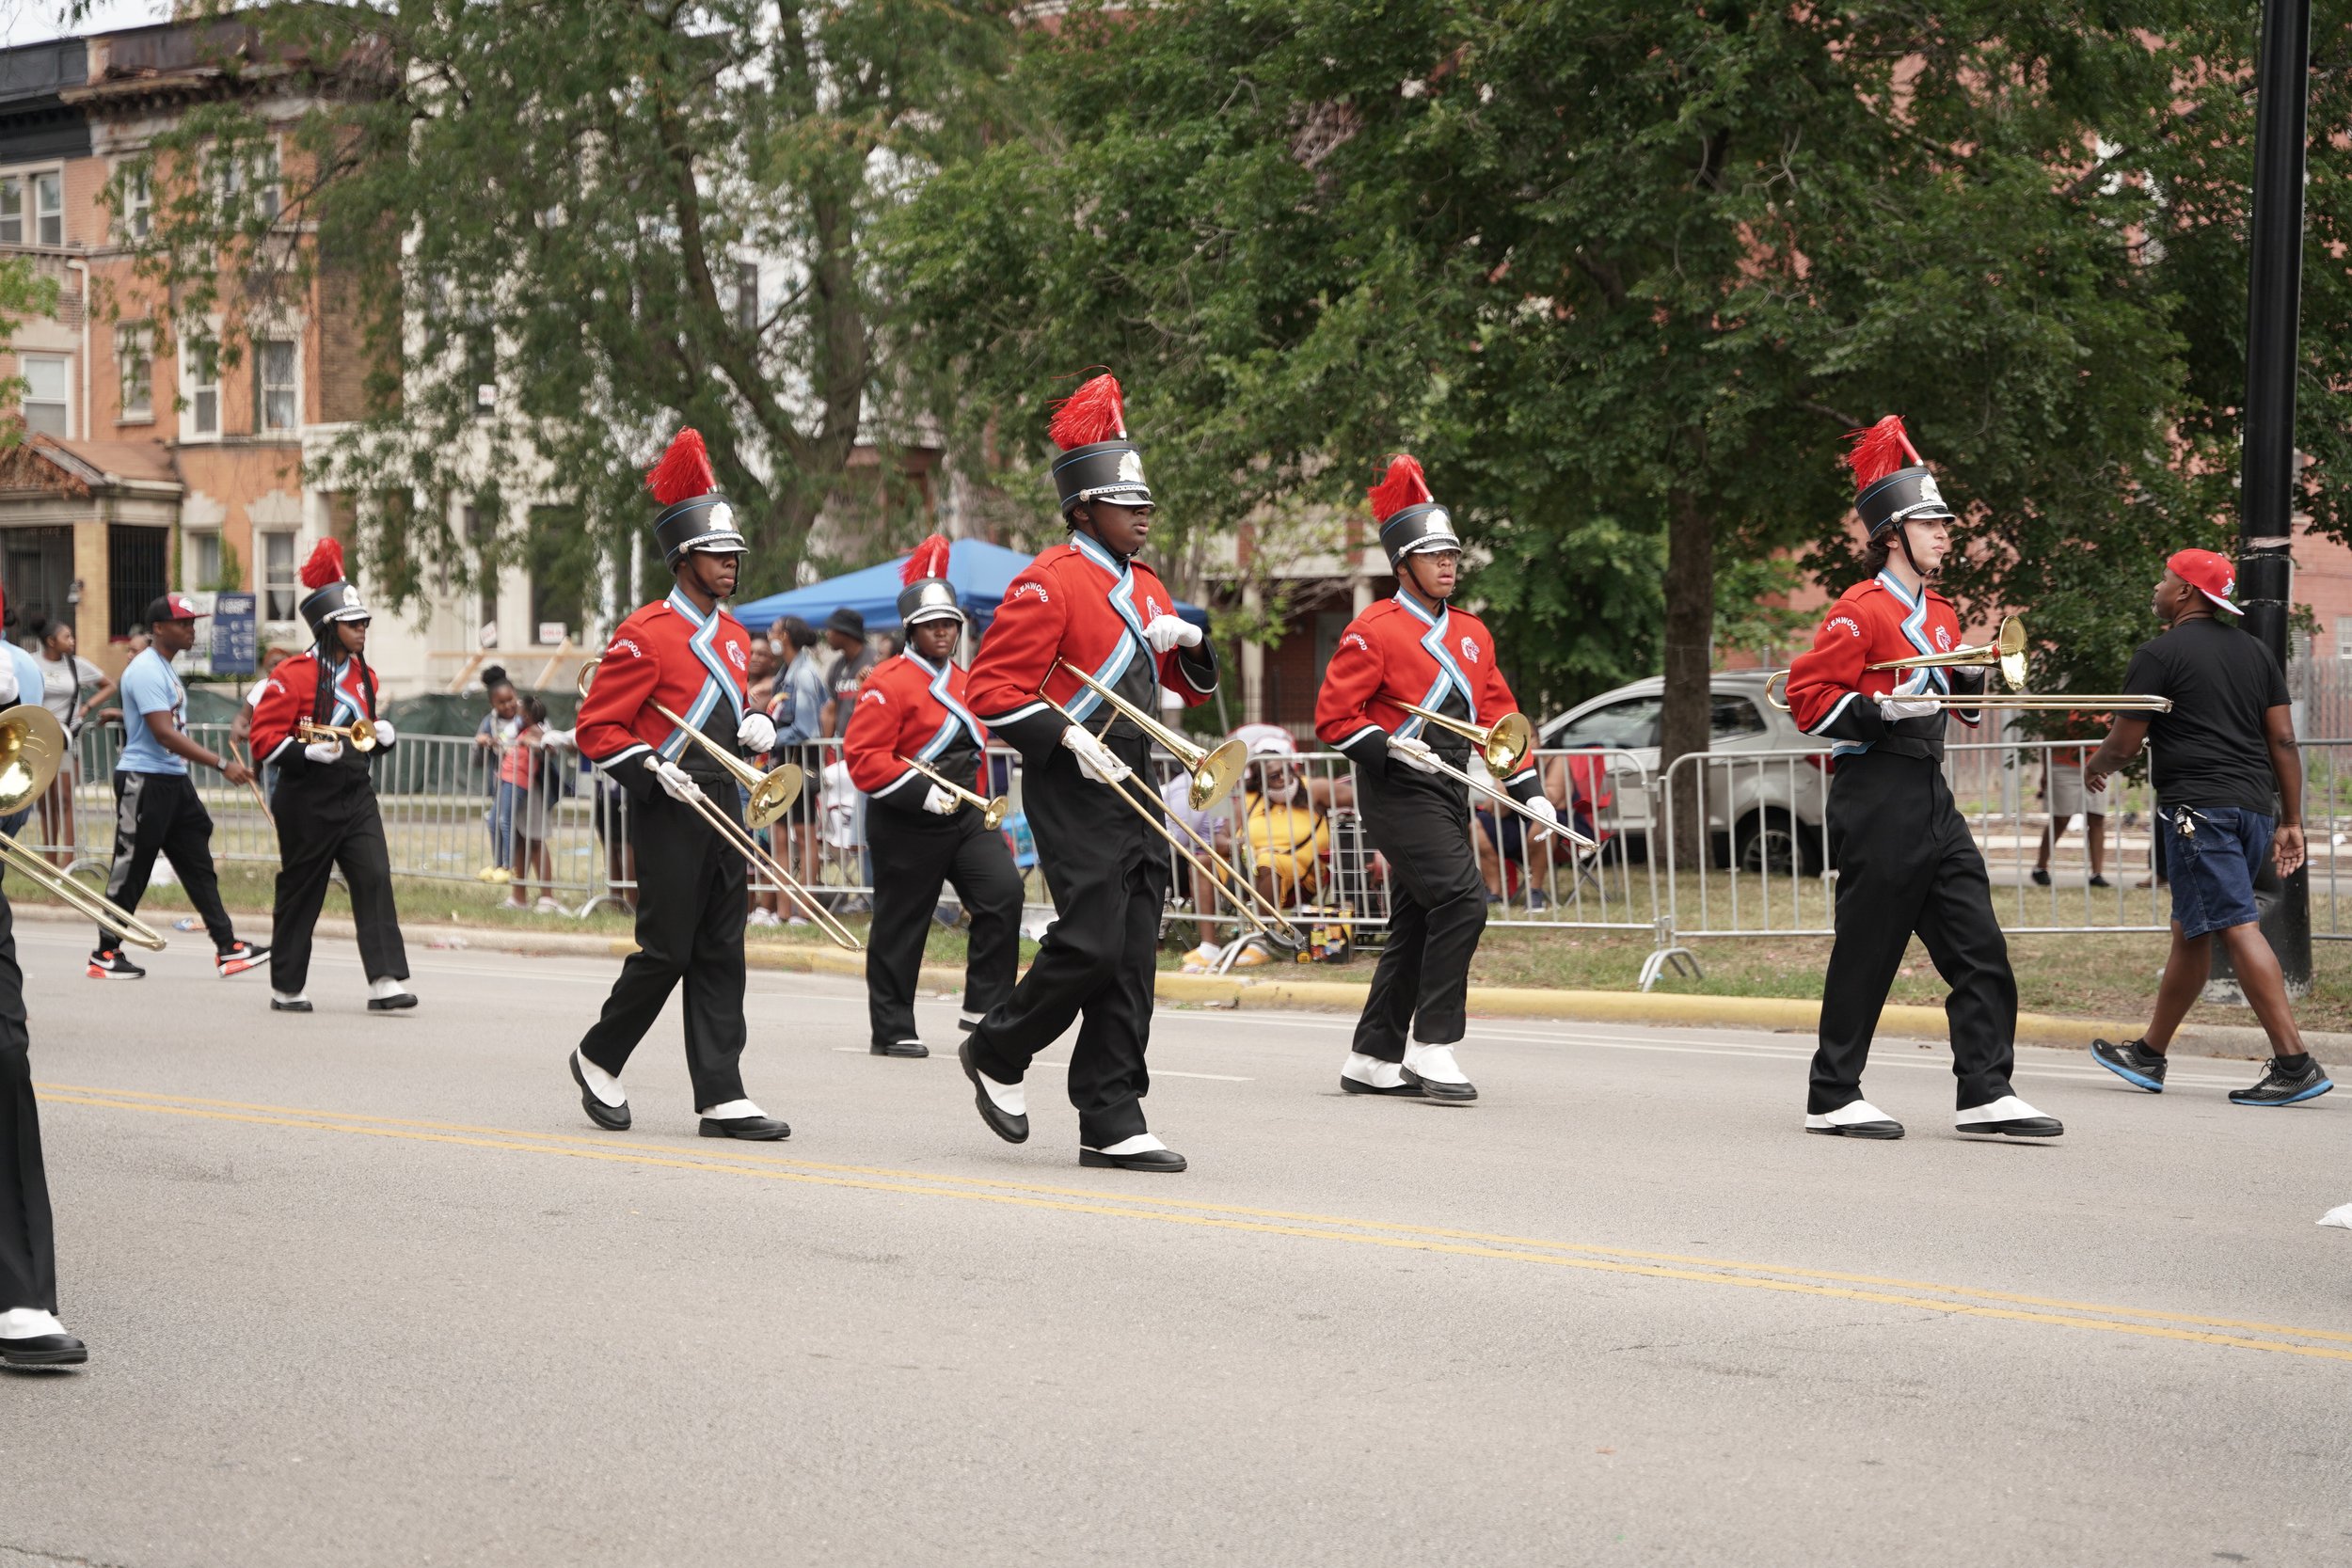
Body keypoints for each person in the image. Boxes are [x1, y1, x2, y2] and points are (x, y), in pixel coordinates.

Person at [960, 372, 1218, 1172]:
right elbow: (991, 690)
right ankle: (999, 1048)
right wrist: (1065, 736)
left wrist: (1191, 644)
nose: (1143, 511)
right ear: (1081, 509)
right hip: (1074, 778)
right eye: (1124, 500)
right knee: (1095, 939)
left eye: (1144, 501)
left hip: (1137, 777)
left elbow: (1179, 687)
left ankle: (1111, 1111)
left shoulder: (1145, 584)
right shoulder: (1048, 579)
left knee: (1137, 948)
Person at [1781, 416, 2058, 1141]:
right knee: (1867, 950)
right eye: (1930, 523)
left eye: (1944, 523)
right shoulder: (1857, 610)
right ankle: (1832, 1092)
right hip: (1876, 793)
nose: (1945, 533)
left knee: (1980, 944)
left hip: (1930, 790)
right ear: (1893, 534)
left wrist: (1970, 673)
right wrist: (1878, 707)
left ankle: (1985, 1088)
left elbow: (1957, 705)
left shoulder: (1940, 611)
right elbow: (1807, 703)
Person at [566, 428, 787, 1141]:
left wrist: (752, 725)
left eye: (734, 554)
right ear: (684, 556)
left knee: (725, 943)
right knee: (668, 948)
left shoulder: (733, 634)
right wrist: (650, 766)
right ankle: (598, 1055)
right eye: (719, 554)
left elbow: (722, 707)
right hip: (667, 799)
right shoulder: (644, 631)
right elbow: (598, 727)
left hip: (723, 796)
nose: (731, 564)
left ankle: (722, 1091)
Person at [1314, 455, 1557, 1104]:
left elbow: (1499, 718)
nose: (1448, 564)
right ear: (1403, 564)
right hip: (1397, 787)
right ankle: (1433, 1044)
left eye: (1451, 553)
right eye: (1432, 554)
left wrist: (1531, 793)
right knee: (1463, 899)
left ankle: (1371, 1055)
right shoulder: (1373, 629)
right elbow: (1334, 719)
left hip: (1450, 786)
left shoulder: (1474, 633)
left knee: (1418, 922)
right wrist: (1392, 749)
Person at [2084, 549, 2328, 1107]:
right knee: (2191, 930)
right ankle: (2149, 1053)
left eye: (2165, 578)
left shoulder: (2157, 654)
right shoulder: (2256, 653)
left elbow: (2124, 743)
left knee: (2237, 926)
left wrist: (2097, 766)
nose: (2157, 585)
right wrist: (2291, 820)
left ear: (2187, 592)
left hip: (2198, 809)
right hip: (2251, 808)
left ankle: (2295, 1064)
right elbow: (2284, 742)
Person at [842, 535, 1024, 1058]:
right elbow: (864, 757)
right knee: (903, 923)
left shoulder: (968, 682)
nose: (942, 632)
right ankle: (892, 1026)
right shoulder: (887, 681)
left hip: (965, 815)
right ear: (911, 630)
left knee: (1003, 894)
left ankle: (983, 1007)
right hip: (907, 816)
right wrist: (922, 794)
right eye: (931, 625)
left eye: (949, 624)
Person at [247, 539, 414, 1014]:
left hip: (355, 791)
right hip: (305, 797)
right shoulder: (292, 675)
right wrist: (304, 753)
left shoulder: (368, 677)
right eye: (353, 623)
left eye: (364, 622)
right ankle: (287, 986)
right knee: (303, 889)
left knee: (375, 876)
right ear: (329, 627)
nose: (363, 630)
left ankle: (385, 980)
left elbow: (363, 737)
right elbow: (263, 740)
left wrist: (383, 738)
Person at [87, 594, 268, 982]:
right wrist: (221, 764)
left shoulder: (164, 669)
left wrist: (126, 714)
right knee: (132, 865)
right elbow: (164, 735)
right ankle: (105, 952)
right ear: (158, 628)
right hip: (145, 780)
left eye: (192, 622)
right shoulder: (147, 670)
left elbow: (157, 719)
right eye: (183, 623)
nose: (191, 630)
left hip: (170, 779)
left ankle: (228, 947)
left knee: (196, 861)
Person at [26, 614, 112, 867]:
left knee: (64, 798)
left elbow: (109, 685)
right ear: (51, 641)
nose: (72, 641)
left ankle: (68, 858)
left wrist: (87, 706)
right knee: (44, 801)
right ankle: (48, 858)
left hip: (65, 738)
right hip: (38, 740)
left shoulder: (77, 665)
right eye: (67, 637)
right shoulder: (32, 663)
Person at [759, 615, 829, 926]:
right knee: (778, 836)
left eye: (773, 630)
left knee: (804, 836)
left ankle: (806, 910)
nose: (770, 635)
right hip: (783, 762)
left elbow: (806, 728)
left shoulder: (804, 674)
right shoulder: (786, 672)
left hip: (802, 763)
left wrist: (768, 737)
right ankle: (782, 911)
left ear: (784, 635)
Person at [2031, 718, 2110, 888]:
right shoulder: (2063, 706)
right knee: (2061, 819)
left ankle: (2097, 874)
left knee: (2096, 818)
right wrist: (2045, 772)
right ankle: (2040, 867)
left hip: (2098, 763)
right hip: (2064, 765)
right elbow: (2048, 735)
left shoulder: (2104, 705)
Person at [473, 667, 523, 882]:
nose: (508, 705)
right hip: (501, 779)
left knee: (504, 820)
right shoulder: (489, 722)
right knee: (493, 821)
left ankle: (508, 865)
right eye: (501, 702)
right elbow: (477, 761)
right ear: (493, 704)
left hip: (520, 778)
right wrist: (482, 744)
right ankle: (498, 864)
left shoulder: (525, 716)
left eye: (510, 699)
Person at [818, 606, 876, 738]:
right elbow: (831, 710)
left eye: (831, 629)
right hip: (842, 749)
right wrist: (825, 753)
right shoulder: (836, 666)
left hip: (866, 742)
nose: (827, 634)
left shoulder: (874, 661)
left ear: (845, 631)